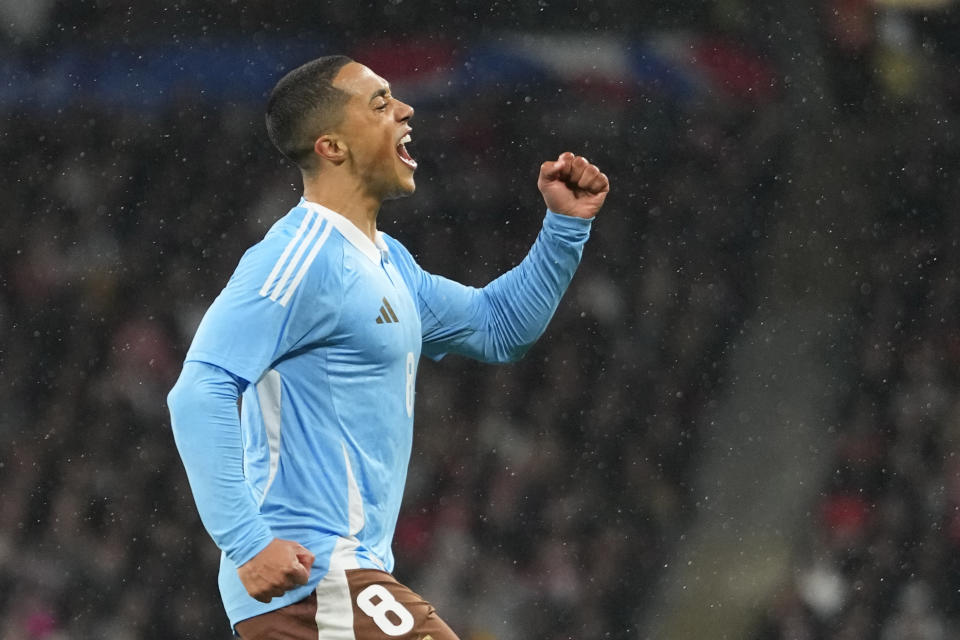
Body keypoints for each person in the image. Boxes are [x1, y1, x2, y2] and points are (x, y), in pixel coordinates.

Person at [166, 54, 610, 639]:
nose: (404, 109)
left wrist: (563, 230)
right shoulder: (297, 257)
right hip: (312, 575)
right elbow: (200, 391)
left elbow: (498, 327)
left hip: (350, 574)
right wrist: (248, 543)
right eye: (380, 103)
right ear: (332, 146)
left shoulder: (391, 262)